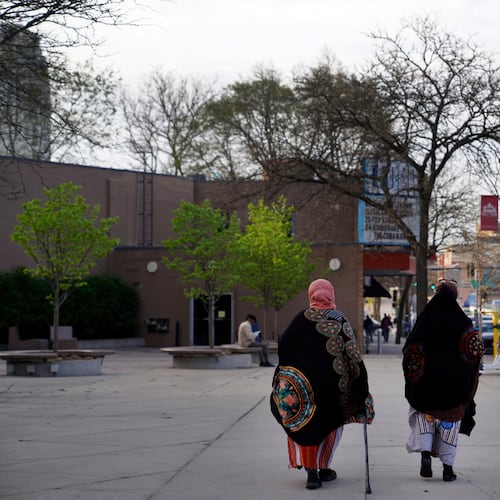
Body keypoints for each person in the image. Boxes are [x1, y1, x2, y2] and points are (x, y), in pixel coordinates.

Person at [270, 278, 374, 490]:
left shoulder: (299, 319)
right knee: (331, 424)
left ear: (311, 296)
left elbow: (284, 348)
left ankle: (311, 472)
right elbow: (353, 355)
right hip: (332, 389)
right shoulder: (339, 319)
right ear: (331, 295)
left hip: (304, 389)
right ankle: (324, 467)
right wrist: (361, 386)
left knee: (306, 424)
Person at [402, 278, 483, 482]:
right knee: (449, 425)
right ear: (455, 296)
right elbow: (475, 349)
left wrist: (415, 374)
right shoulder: (463, 321)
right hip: (454, 389)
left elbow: (410, 349)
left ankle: (425, 455)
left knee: (426, 420)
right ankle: (448, 469)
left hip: (426, 388)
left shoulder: (425, 318)